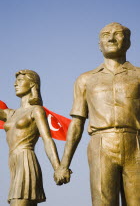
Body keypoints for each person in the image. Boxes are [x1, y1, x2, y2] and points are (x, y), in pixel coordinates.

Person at [54, 22, 140, 205]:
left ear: (128, 41)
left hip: (136, 143)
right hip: (101, 144)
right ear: (99, 44)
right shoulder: (86, 79)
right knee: (103, 202)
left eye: (117, 34)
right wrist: (64, 164)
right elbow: (77, 124)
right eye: (105, 35)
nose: (110, 38)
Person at [0, 69, 61, 206]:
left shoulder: (36, 110)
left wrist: (58, 168)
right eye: (15, 81)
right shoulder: (10, 114)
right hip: (12, 162)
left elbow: (47, 139)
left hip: (25, 159)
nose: (15, 84)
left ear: (33, 85)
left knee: (18, 201)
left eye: (20, 80)